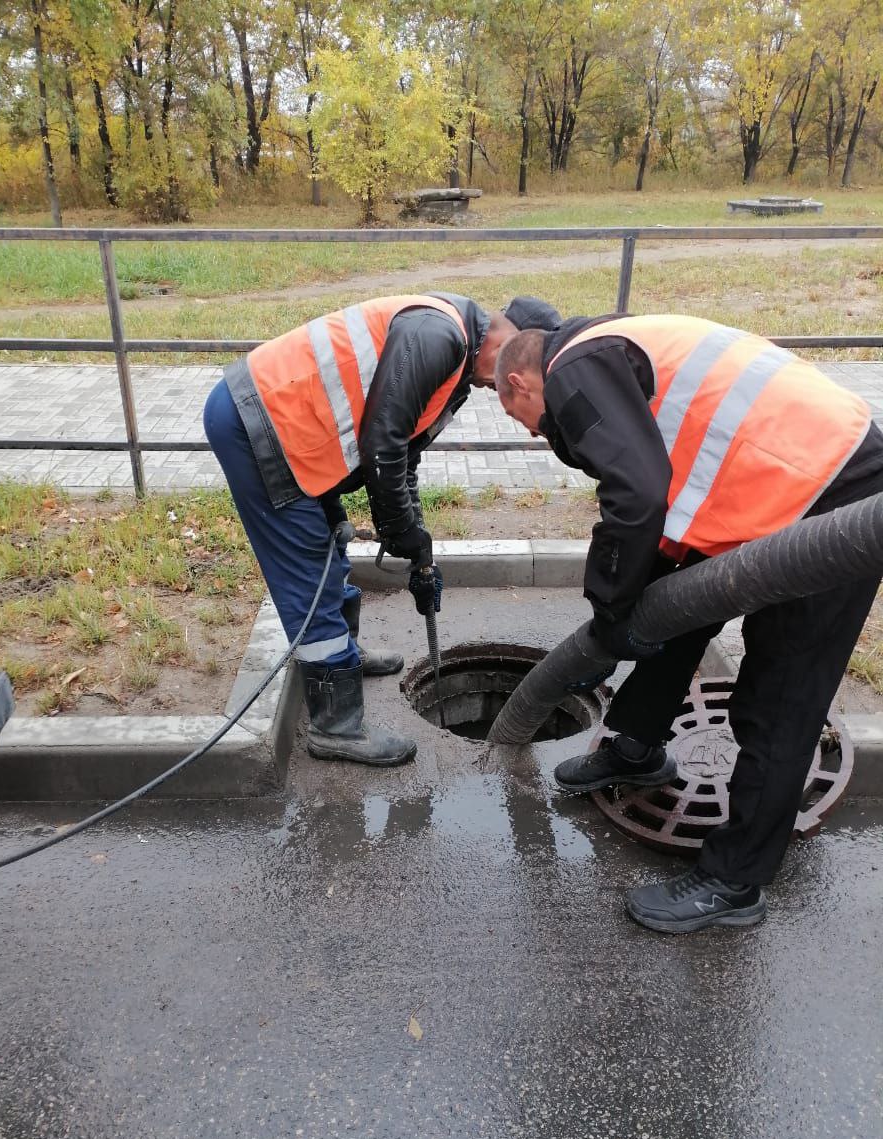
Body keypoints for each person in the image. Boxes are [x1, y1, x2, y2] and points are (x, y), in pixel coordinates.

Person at [494, 312, 883, 933]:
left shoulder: (572, 370)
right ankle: (638, 748)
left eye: (526, 420)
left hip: (833, 492)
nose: (541, 436)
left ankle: (734, 883)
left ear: (519, 381)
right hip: (766, 480)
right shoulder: (602, 346)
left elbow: (637, 493)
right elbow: (661, 479)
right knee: (670, 607)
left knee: (779, 696)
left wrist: (609, 607)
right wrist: (626, 609)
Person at [204, 292, 522, 767]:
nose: (501, 391)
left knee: (332, 542)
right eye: (507, 380)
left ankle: (343, 656)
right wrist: (398, 528)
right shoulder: (440, 338)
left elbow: (405, 454)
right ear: (505, 339)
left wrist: (413, 533)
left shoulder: (457, 364)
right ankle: (336, 727)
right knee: (307, 567)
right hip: (260, 423)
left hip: (302, 429)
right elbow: (384, 443)